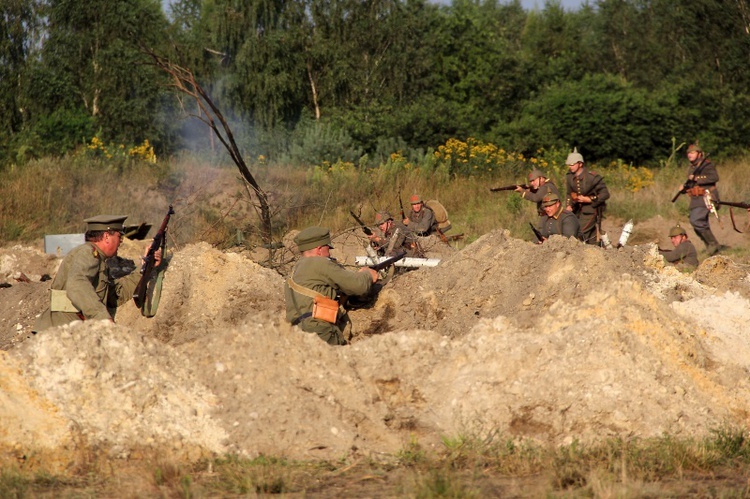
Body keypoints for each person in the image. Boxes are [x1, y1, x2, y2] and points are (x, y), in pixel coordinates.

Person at [33, 214, 162, 332]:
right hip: (59, 333)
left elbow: (117, 295)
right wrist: (101, 317)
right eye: (119, 236)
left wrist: (145, 267)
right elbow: (77, 283)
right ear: (106, 236)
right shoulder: (87, 253)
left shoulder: (100, 260)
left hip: (68, 330)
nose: (121, 241)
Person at [285, 226, 378, 346]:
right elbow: (357, 285)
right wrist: (368, 274)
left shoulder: (295, 271)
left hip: (297, 335)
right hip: (320, 332)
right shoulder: (319, 262)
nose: (329, 254)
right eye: (328, 249)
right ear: (319, 249)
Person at [681, 143, 721, 255]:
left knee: (697, 220)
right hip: (695, 199)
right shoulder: (691, 168)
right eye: (688, 153)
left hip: (707, 197)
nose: (690, 155)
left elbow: (714, 177)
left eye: (692, 152)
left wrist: (697, 178)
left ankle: (713, 244)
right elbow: (690, 183)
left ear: (699, 154)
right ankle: (710, 246)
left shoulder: (706, 165)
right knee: (696, 222)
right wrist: (684, 188)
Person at [564, 147, 610, 245]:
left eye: (573, 164)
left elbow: (605, 194)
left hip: (591, 210)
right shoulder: (569, 176)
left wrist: (589, 199)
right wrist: (568, 205)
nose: (570, 167)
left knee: (579, 232)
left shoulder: (592, 177)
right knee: (590, 237)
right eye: (569, 165)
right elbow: (569, 193)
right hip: (577, 209)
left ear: (580, 164)